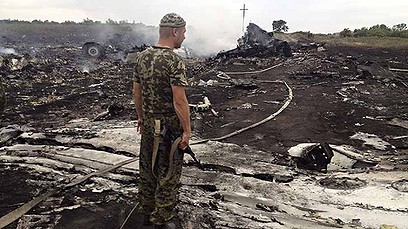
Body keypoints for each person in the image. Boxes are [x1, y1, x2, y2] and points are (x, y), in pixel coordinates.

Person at [132, 13, 190, 229]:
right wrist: (187, 130)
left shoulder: (142, 57)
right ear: (175, 32)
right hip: (169, 130)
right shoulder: (175, 61)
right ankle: (162, 220)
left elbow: (136, 92)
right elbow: (179, 101)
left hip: (148, 125)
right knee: (167, 174)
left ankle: (146, 215)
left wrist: (140, 116)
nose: (184, 36)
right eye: (183, 32)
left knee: (147, 170)